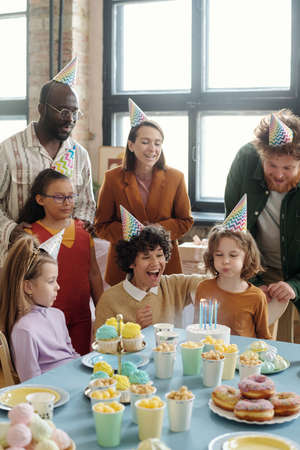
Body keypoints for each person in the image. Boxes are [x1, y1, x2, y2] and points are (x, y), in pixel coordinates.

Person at [0, 56, 95, 267]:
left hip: (66, 260)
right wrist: (10, 230)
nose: (70, 119)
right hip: (18, 259)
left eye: (74, 112)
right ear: (41, 109)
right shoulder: (8, 150)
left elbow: (87, 203)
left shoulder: (80, 155)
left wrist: (83, 223)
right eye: (63, 111)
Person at [95, 99, 193, 286]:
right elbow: (102, 225)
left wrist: (155, 231)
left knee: (164, 314)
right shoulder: (113, 178)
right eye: (145, 142)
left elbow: (185, 221)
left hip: (164, 267)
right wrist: (133, 233)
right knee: (123, 315)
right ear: (131, 145)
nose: (152, 149)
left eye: (157, 143)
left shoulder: (176, 177)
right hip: (124, 267)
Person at [225, 109, 300, 342]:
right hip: (256, 264)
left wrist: (295, 285)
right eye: (271, 165)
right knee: (251, 338)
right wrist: (253, 280)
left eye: (288, 168)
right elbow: (233, 230)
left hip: (298, 266)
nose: (278, 175)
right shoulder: (246, 158)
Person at [18, 168, 103, 355]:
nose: (67, 203)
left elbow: (94, 273)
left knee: (79, 362)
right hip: (44, 318)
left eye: (71, 197)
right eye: (59, 197)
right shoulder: (30, 235)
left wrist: (102, 309)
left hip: (81, 316)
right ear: (40, 200)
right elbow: (23, 281)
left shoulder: (84, 231)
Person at [0, 234, 79, 382]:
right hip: (54, 393)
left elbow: (72, 355)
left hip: (75, 380)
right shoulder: (24, 330)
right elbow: (31, 382)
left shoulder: (58, 315)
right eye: (51, 281)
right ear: (28, 286)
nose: (58, 287)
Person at [94, 224, 202, 330]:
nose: (155, 263)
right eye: (146, 257)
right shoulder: (109, 300)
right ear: (131, 262)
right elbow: (101, 345)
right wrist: (134, 331)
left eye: (159, 255)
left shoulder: (174, 285)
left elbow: (207, 282)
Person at [194, 225, 271, 339]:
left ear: (247, 257)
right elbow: (196, 329)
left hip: (243, 355)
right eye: (219, 254)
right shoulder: (203, 288)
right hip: (210, 354)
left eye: (233, 255)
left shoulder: (257, 297)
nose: (225, 261)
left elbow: (264, 338)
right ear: (211, 256)